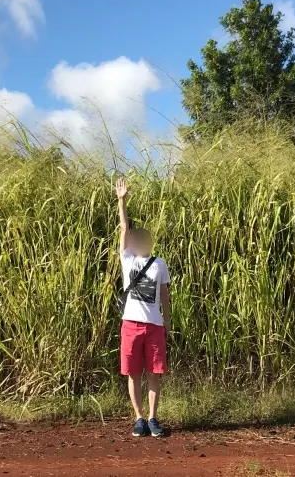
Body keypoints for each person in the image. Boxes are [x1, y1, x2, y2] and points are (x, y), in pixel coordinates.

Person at [115, 178, 171, 438]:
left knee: (154, 374)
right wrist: (122, 200)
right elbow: (123, 226)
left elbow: (165, 297)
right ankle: (138, 418)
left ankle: (153, 418)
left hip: (154, 327)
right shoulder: (127, 260)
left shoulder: (160, 263)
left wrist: (167, 323)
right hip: (131, 325)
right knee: (133, 373)